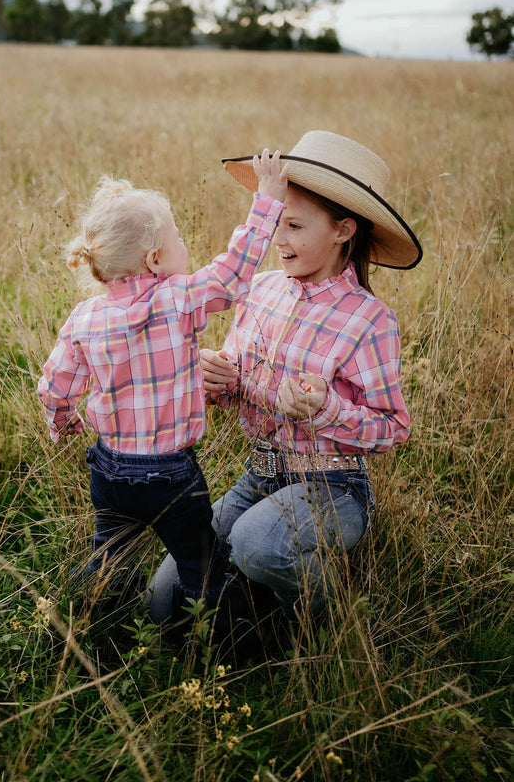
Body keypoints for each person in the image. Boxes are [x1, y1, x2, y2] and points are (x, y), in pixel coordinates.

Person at [148, 130, 422, 640]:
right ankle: (261, 620)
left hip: (335, 486)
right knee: (166, 599)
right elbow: (234, 378)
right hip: (260, 475)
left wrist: (327, 410)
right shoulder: (261, 287)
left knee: (256, 543)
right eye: (277, 222)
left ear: (343, 230)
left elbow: (394, 428)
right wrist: (219, 378)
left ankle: (329, 616)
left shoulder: (369, 321)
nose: (279, 238)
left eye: (294, 225)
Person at [37, 150, 288, 623]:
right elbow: (233, 274)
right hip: (171, 477)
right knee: (202, 567)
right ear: (154, 259)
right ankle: (230, 642)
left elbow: (54, 384)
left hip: (109, 471)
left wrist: (64, 420)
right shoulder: (177, 299)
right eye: (177, 237)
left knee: (109, 559)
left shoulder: (85, 317)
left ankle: (88, 626)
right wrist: (266, 200)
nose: (183, 244)